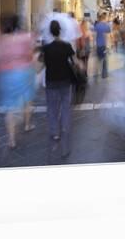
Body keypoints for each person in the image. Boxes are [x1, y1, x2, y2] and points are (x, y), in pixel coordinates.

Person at [0, 15, 36, 149]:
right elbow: (30, 55)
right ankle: (27, 124)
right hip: (24, 72)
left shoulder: (0, 40)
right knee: (27, 100)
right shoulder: (25, 37)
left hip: (6, 75)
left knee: (10, 109)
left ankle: (11, 140)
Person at [40, 20, 78, 158]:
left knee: (52, 108)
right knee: (65, 107)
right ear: (60, 30)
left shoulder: (46, 48)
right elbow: (76, 62)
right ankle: (65, 128)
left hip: (51, 81)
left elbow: (39, 66)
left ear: (50, 31)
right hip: (65, 81)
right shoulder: (67, 46)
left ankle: (55, 133)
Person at [94, 12, 111, 79]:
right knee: (105, 61)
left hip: (98, 45)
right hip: (104, 46)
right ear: (105, 18)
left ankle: (96, 74)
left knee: (98, 60)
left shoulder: (97, 25)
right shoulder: (107, 26)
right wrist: (108, 46)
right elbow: (108, 37)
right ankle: (104, 75)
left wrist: (94, 45)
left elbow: (94, 36)